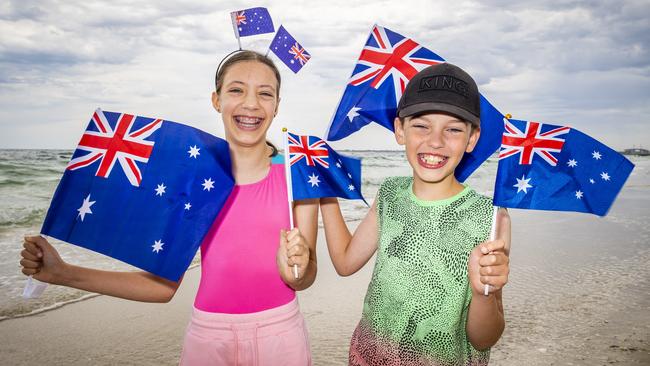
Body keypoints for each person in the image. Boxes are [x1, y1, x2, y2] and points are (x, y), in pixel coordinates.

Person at [20, 50, 319, 366]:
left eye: (265, 93)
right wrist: (62, 273)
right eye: (236, 89)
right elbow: (162, 287)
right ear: (216, 100)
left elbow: (306, 276)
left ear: (276, 105)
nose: (250, 103)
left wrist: (297, 271)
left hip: (281, 335)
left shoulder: (296, 179)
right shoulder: (194, 184)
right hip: (209, 338)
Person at [320, 63, 511, 365]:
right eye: (421, 125)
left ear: (472, 138)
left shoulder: (490, 219)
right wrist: (325, 189)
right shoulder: (389, 194)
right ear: (400, 130)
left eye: (453, 129)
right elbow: (345, 262)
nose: (435, 141)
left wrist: (483, 293)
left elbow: (484, 338)